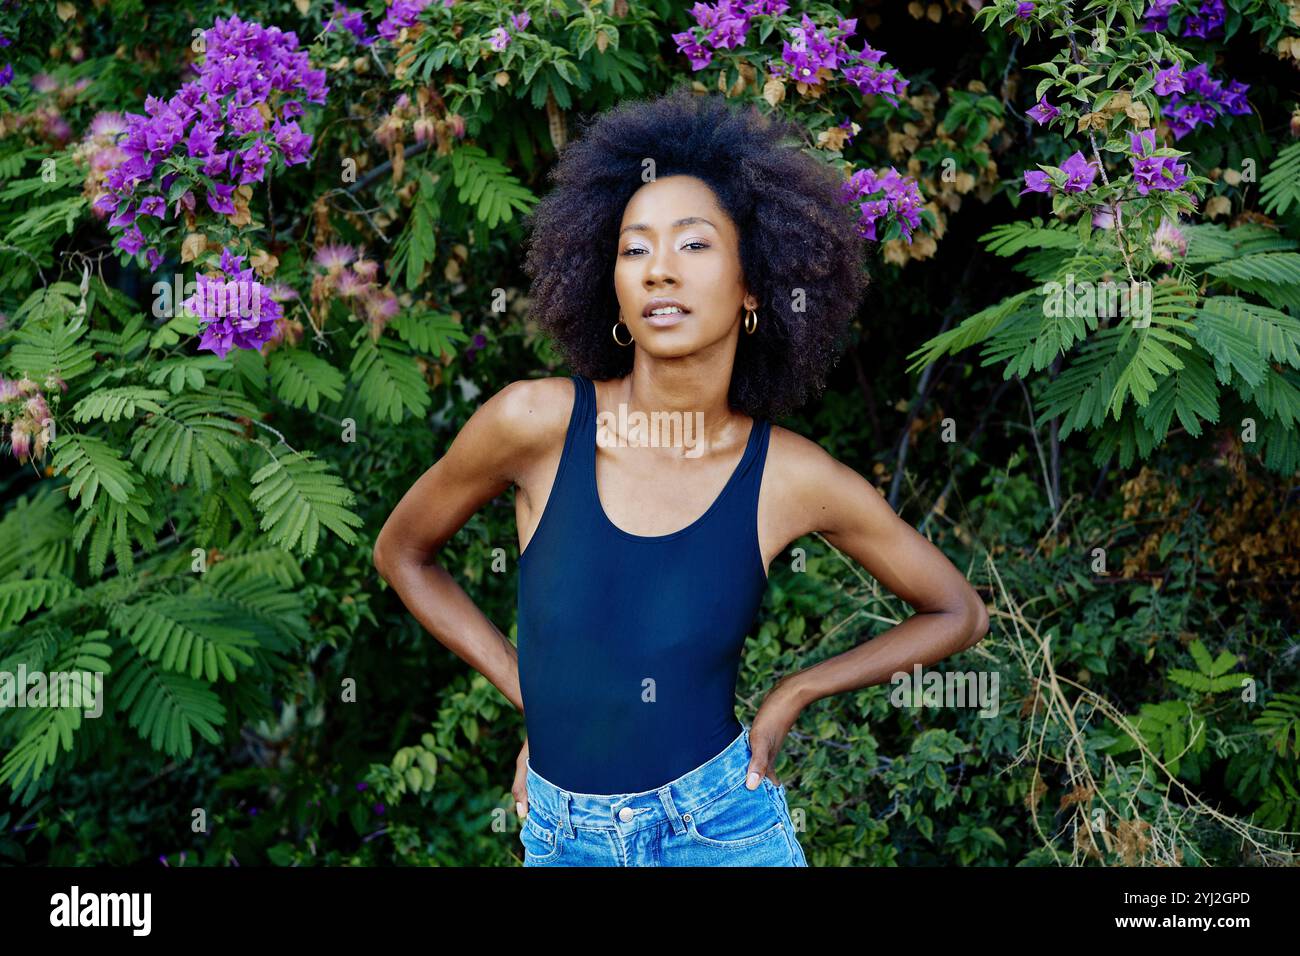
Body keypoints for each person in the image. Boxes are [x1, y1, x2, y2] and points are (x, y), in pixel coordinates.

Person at [372, 87, 989, 866]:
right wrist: (537, 700)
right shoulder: (532, 425)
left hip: (722, 832)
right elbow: (402, 554)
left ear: (753, 287)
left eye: (694, 246)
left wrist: (791, 694)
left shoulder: (790, 476)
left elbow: (957, 612)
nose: (660, 270)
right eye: (635, 249)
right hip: (564, 842)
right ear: (616, 294)